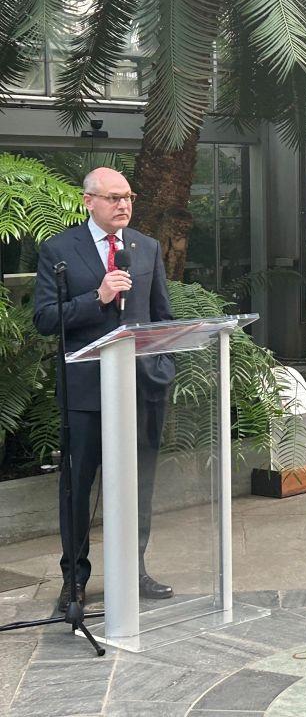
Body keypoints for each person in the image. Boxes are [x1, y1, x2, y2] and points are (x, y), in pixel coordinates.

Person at [34, 167, 176, 611]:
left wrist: (162, 365)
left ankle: (134, 570)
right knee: (78, 488)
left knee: (140, 486)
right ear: (88, 201)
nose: (124, 205)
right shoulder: (58, 250)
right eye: (114, 197)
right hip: (86, 394)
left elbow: (161, 318)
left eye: (129, 197)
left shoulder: (146, 248)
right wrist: (96, 297)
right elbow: (44, 319)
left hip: (140, 390)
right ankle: (73, 580)